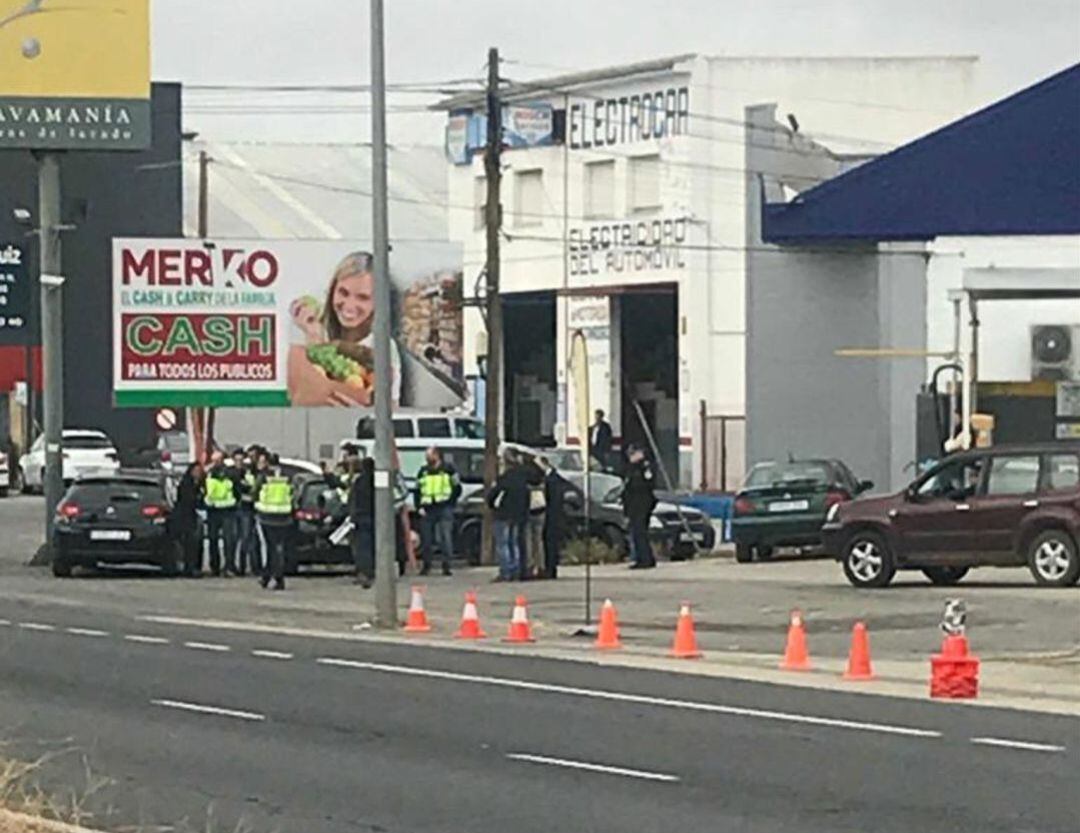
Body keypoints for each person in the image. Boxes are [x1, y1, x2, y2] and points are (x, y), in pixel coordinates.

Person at [286, 251, 402, 407]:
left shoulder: (383, 346)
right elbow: (295, 396)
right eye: (343, 293)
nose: (349, 305)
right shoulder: (308, 324)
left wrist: (359, 412)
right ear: (333, 290)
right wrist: (312, 338)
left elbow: (392, 411)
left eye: (362, 297)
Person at [414, 446, 461, 576]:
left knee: (445, 538)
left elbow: (457, 488)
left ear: (437, 455)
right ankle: (426, 565)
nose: (427, 458)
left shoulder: (449, 470)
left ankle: (446, 566)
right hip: (428, 509)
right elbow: (417, 490)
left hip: (444, 508)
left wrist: (451, 503)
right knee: (426, 539)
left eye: (429, 455)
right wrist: (419, 507)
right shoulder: (423, 471)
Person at [488, 450, 532, 582]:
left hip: (503, 514)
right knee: (514, 543)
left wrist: (492, 506)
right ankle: (516, 570)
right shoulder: (523, 477)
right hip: (518, 515)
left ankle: (506, 572)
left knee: (503, 544)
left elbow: (493, 495)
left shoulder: (504, 478)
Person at [255, 455, 294, 591]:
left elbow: (255, 491)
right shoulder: (287, 476)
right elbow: (294, 493)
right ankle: (271, 576)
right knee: (279, 548)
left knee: (271, 548)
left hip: (267, 517)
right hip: (284, 517)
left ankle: (274, 577)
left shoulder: (264, 476)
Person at [203, 450, 241, 577]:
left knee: (228, 540)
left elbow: (237, 489)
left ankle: (228, 566)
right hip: (214, 510)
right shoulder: (208, 473)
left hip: (227, 510)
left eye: (217, 460)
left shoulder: (230, 473)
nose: (216, 463)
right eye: (214, 460)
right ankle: (216, 567)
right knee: (214, 540)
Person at [622, 445, 658, 570]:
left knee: (639, 531)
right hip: (634, 504)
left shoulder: (643, 467)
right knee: (638, 532)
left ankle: (645, 559)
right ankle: (643, 557)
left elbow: (643, 485)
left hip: (641, 504)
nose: (630, 456)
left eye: (633, 453)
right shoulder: (632, 468)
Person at [171, 461, 204, 577]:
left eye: (200, 471)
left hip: (195, 517)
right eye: (196, 471)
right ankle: (188, 568)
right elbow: (188, 500)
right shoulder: (186, 484)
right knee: (189, 543)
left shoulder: (201, 484)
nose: (198, 473)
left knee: (196, 543)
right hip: (185, 517)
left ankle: (194, 567)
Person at [540, 458, 571, 580]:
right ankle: (551, 568)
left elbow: (553, 498)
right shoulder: (557, 478)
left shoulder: (552, 480)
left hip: (552, 515)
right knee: (550, 543)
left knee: (550, 543)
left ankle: (550, 569)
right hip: (555, 515)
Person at [349, 456, 376, 588]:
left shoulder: (359, 481)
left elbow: (353, 500)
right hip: (376, 518)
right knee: (374, 546)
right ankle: (373, 571)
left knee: (363, 547)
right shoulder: (376, 480)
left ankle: (365, 573)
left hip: (362, 517)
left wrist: (352, 516)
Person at [233, 448, 259, 576]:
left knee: (248, 538)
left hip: (247, 509)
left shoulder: (248, 473)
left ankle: (251, 566)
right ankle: (240, 567)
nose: (239, 462)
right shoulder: (230, 473)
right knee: (240, 539)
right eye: (237, 460)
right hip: (235, 509)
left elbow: (251, 489)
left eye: (241, 460)